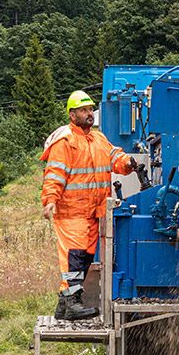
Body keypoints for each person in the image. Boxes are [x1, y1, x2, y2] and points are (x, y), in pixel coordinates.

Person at [40, 90, 134, 320]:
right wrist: (50, 200)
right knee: (75, 256)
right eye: (84, 110)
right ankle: (72, 303)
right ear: (72, 115)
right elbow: (55, 174)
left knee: (85, 257)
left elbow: (114, 157)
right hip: (72, 211)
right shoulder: (65, 141)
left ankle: (64, 306)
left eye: (91, 109)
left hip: (94, 212)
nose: (89, 114)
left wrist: (129, 163)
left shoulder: (98, 139)